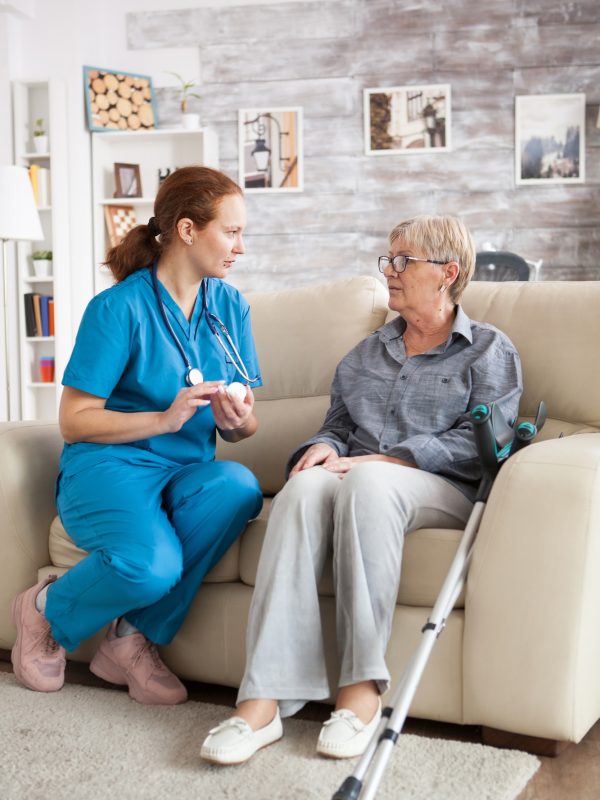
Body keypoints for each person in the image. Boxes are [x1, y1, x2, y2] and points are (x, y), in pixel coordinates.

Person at [200, 215, 523, 764]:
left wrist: (387, 458)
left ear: (448, 273)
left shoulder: (488, 350)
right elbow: (338, 427)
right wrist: (320, 450)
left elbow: (488, 443)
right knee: (302, 488)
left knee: (370, 480)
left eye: (403, 261)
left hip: (440, 490)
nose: (389, 272)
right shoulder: (365, 354)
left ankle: (360, 695)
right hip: (361, 477)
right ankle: (261, 702)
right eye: (387, 260)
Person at [11, 166, 263, 705]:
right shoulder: (118, 309)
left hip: (185, 470)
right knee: (151, 566)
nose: (241, 246)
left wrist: (236, 421)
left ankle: (127, 639)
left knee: (239, 485)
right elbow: (74, 420)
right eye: (232, 231)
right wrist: (162, 420)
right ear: (189, 230)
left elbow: (248, 426)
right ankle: (42, 610)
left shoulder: (229, 307)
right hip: (108, 468)